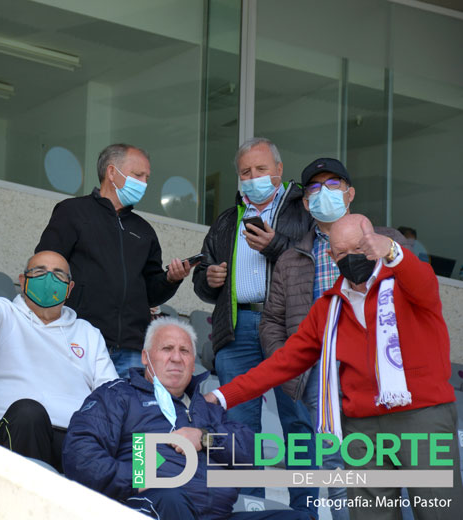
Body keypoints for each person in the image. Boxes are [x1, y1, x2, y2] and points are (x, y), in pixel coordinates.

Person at [206, 214, 463, 520]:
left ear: (375, 243)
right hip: (362, 428)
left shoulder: (406, 282)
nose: (353, 257)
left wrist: (394, 250)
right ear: (331, 256)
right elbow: (283, 363)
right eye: (341, 253)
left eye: (361, 247)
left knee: (440, 512)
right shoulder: (328, 307)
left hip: (422, 416)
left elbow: (422, 279)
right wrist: (222, 396)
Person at [260, 158, 407, 519]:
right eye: (314, 189)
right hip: (320, 380)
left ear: (350, 194)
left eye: (333, 185)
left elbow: (417, 299)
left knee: (393, 471)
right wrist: (293, 365)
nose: (324, 194)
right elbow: (271, 322)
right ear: (306, 203)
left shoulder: (388, 241)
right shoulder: (293, 257)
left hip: (382, 376)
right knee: (338, 473)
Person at [63, 317, 307, 520]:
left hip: (216, 514)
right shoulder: (118, 396)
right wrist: (134, 478)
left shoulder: (207, 408)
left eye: (184, 351)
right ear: (146, 357)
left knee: (296, 518)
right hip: (146, 506)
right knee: (171, 497)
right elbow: (80, 455)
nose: (176, 358)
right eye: (166, 349)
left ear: (193, 364)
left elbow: (249, 451)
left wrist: (204, 437)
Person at [192, 137, 317, 513]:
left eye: (261, 170)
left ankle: (304, 511)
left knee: (297, 422)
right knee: (239, 427)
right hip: (238, 325)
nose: (253, 177)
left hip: (287, 327)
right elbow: (202, 276)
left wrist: (276, 246)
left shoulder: (303, 211)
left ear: (278, 171)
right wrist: (208, 278)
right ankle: (250, 509)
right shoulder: (228, 218)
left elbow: (312, 264)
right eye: (245, 172)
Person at [36, 143, 192, 378]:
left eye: (147, 177)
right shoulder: (72, 212)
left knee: (123, 414)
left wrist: (171, 279)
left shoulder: (144, 230)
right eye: (138, 175)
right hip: (78, 338)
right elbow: (45, 267)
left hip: (131, 347)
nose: (144, 183)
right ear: (111, 172)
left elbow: (151, 293)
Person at [0, 246, 118, 471]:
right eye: (40, 271)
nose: (49, 279)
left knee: (125, 444)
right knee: (29, 413)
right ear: (23, 281)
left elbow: (110, 394)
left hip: (71, 441)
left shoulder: (88, 333)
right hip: (9, 433)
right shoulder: (4, 314)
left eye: (59, 274)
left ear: (69, 288)